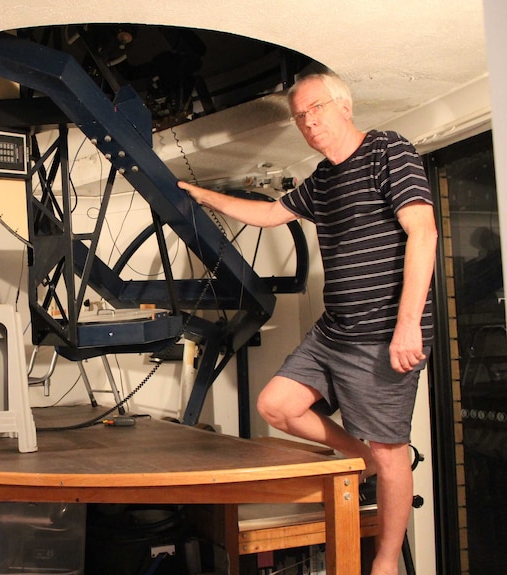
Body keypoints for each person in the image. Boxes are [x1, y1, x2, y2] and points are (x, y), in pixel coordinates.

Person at [178, 72, 437, 575]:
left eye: (315, 108)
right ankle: (356, 454)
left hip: (383, 334)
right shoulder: (324, 177)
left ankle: (385, 562)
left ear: (344, 106)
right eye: (300, 115)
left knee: (391, 454)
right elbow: (271, 214)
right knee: (276, 404)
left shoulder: (389, 150)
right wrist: (205, 197)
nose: (308, 121)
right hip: (335, 329)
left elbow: (422, 233)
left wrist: (408, 325)